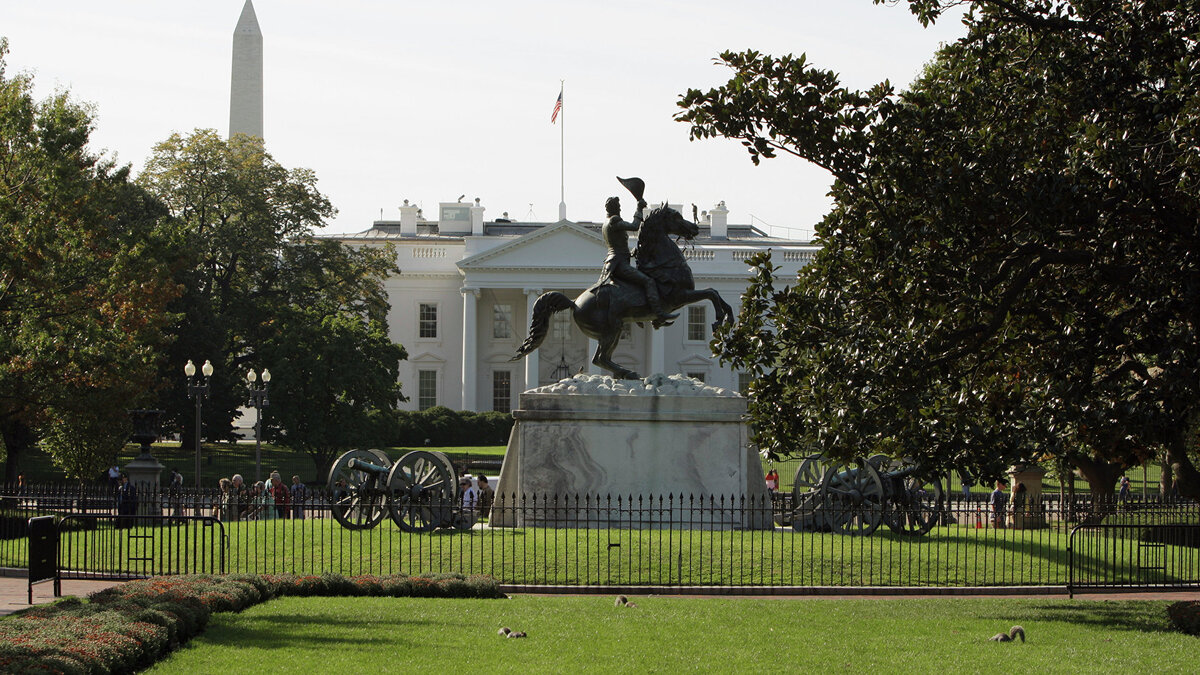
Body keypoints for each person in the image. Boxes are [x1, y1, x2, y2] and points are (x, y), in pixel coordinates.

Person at [599, 195, 678, 328]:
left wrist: (630, 253)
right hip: (620, 265)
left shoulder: (605, 224)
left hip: (614, 262)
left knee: (636, 285)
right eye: (618, 207)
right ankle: (659, 314)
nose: (620, 209)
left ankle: (638, 312)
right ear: (614, 208)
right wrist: (639, 208)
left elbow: (616, 246)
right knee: (648, 281)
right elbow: (635, 226)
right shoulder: (614, 220)